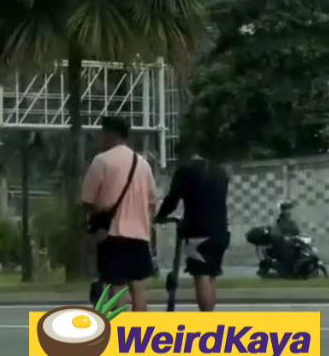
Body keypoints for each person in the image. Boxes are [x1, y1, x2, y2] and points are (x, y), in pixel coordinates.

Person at [81, 117, 157, 313]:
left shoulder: (101, 161)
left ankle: (120, 331)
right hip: (140, 235)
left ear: (109, 134)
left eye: (102, 133)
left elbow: (87, 201)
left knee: (115, 286)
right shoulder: (143, 164)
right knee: (138, 286)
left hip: (112, 235)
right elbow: (151, 202)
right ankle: (139, 334)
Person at [155, 141, 230, 312]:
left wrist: (160, 216)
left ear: (182, 156)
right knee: (212, 275)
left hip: (198, 231)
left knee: (201, 275)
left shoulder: (185, 170)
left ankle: (206, 321)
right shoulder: (219, 171)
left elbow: (172, 198)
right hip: (221, 229)